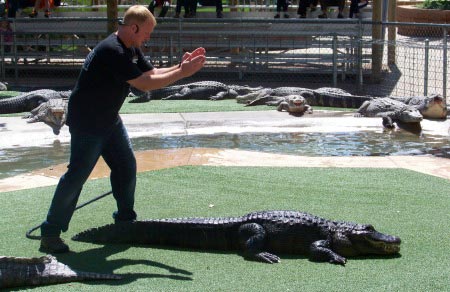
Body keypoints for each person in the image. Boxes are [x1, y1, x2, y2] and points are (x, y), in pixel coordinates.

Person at [38, 5, 206, 253]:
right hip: (88, 122)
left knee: (126, 167)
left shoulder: (131, 47)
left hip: (109, 120)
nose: (148, 38)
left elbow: (152, 72)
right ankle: (50, 233)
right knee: (77, 175)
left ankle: (125, 223)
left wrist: (180, 67)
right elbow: (145, 84)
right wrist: (182, 73)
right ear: (134, 27)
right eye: (146, 33)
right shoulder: (112, 50)